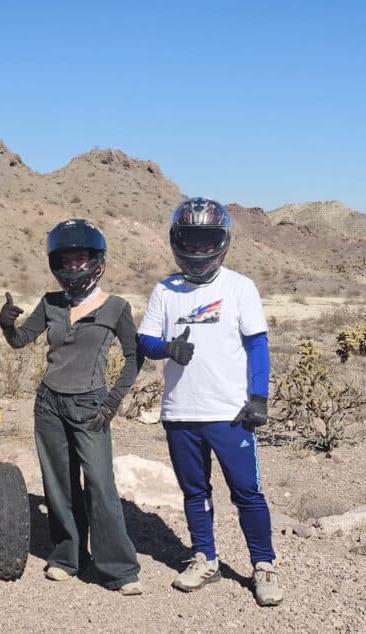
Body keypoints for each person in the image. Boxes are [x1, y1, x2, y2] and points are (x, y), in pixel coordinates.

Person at [137, 197, 283, 606]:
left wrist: (259, 397)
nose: (199, 250)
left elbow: (258, 345)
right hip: (181, 411)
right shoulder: (165, 290)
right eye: (191, 240)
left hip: (230, 413)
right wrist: (168, 349)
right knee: (194, 492)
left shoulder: (240, 287)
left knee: (247, 492)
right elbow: (144, 340)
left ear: (222, 242)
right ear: (176, 241)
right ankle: (205, 557)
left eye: (207, 241)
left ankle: (264, 564)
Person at [0, 218, 143, 596]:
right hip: (49, 403)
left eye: (81, 259)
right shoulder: (51, 303)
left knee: (99, 484)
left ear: (96, 260)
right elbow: (21, 341)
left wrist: (113, 402)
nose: (74, 267)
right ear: (56, 265)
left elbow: (133, 358)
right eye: (67, 260)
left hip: (92, 406)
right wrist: (7, 326)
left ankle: (119, 569)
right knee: (59, 484)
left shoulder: (116, 307)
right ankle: (67, 557)